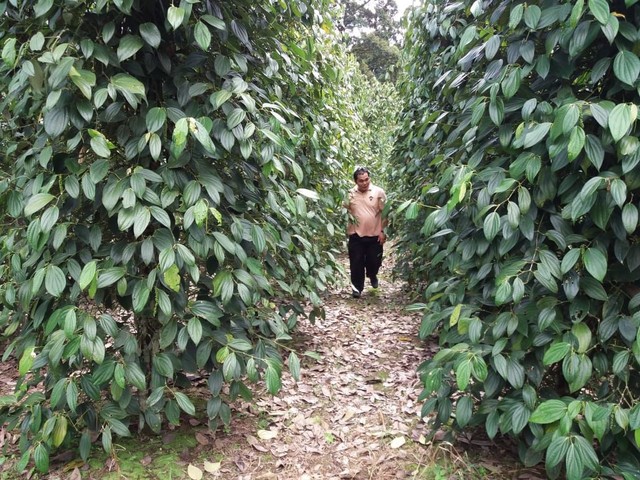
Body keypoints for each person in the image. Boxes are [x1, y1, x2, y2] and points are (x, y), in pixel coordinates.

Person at [345, 166, 387, 298]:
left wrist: (383, 231)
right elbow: (344, 211)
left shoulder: (378, 192)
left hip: (375, 234)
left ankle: (372, 274)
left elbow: (385, 213)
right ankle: (357, 288)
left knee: (374, 261)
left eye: (366, 179)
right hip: (355, 234)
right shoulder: (350, 194)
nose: (364, 183)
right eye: (361, 181)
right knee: (356, 262)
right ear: (356, 181)